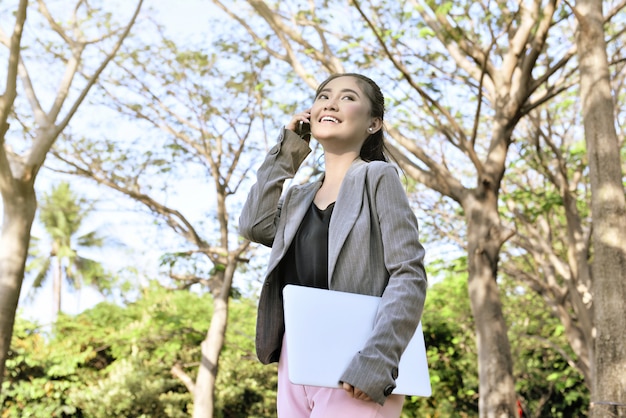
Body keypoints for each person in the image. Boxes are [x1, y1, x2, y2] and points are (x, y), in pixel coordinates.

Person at [239, 73, 427, 418]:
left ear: (373, 123)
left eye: (348, 97)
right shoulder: (298, 197)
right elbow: (253, 225)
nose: (331, 102)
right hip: (296, 356)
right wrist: (288, 151)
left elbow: (409, 274)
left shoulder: (378, 177)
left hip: (357, 358)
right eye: (324, 95)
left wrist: (378, 359)